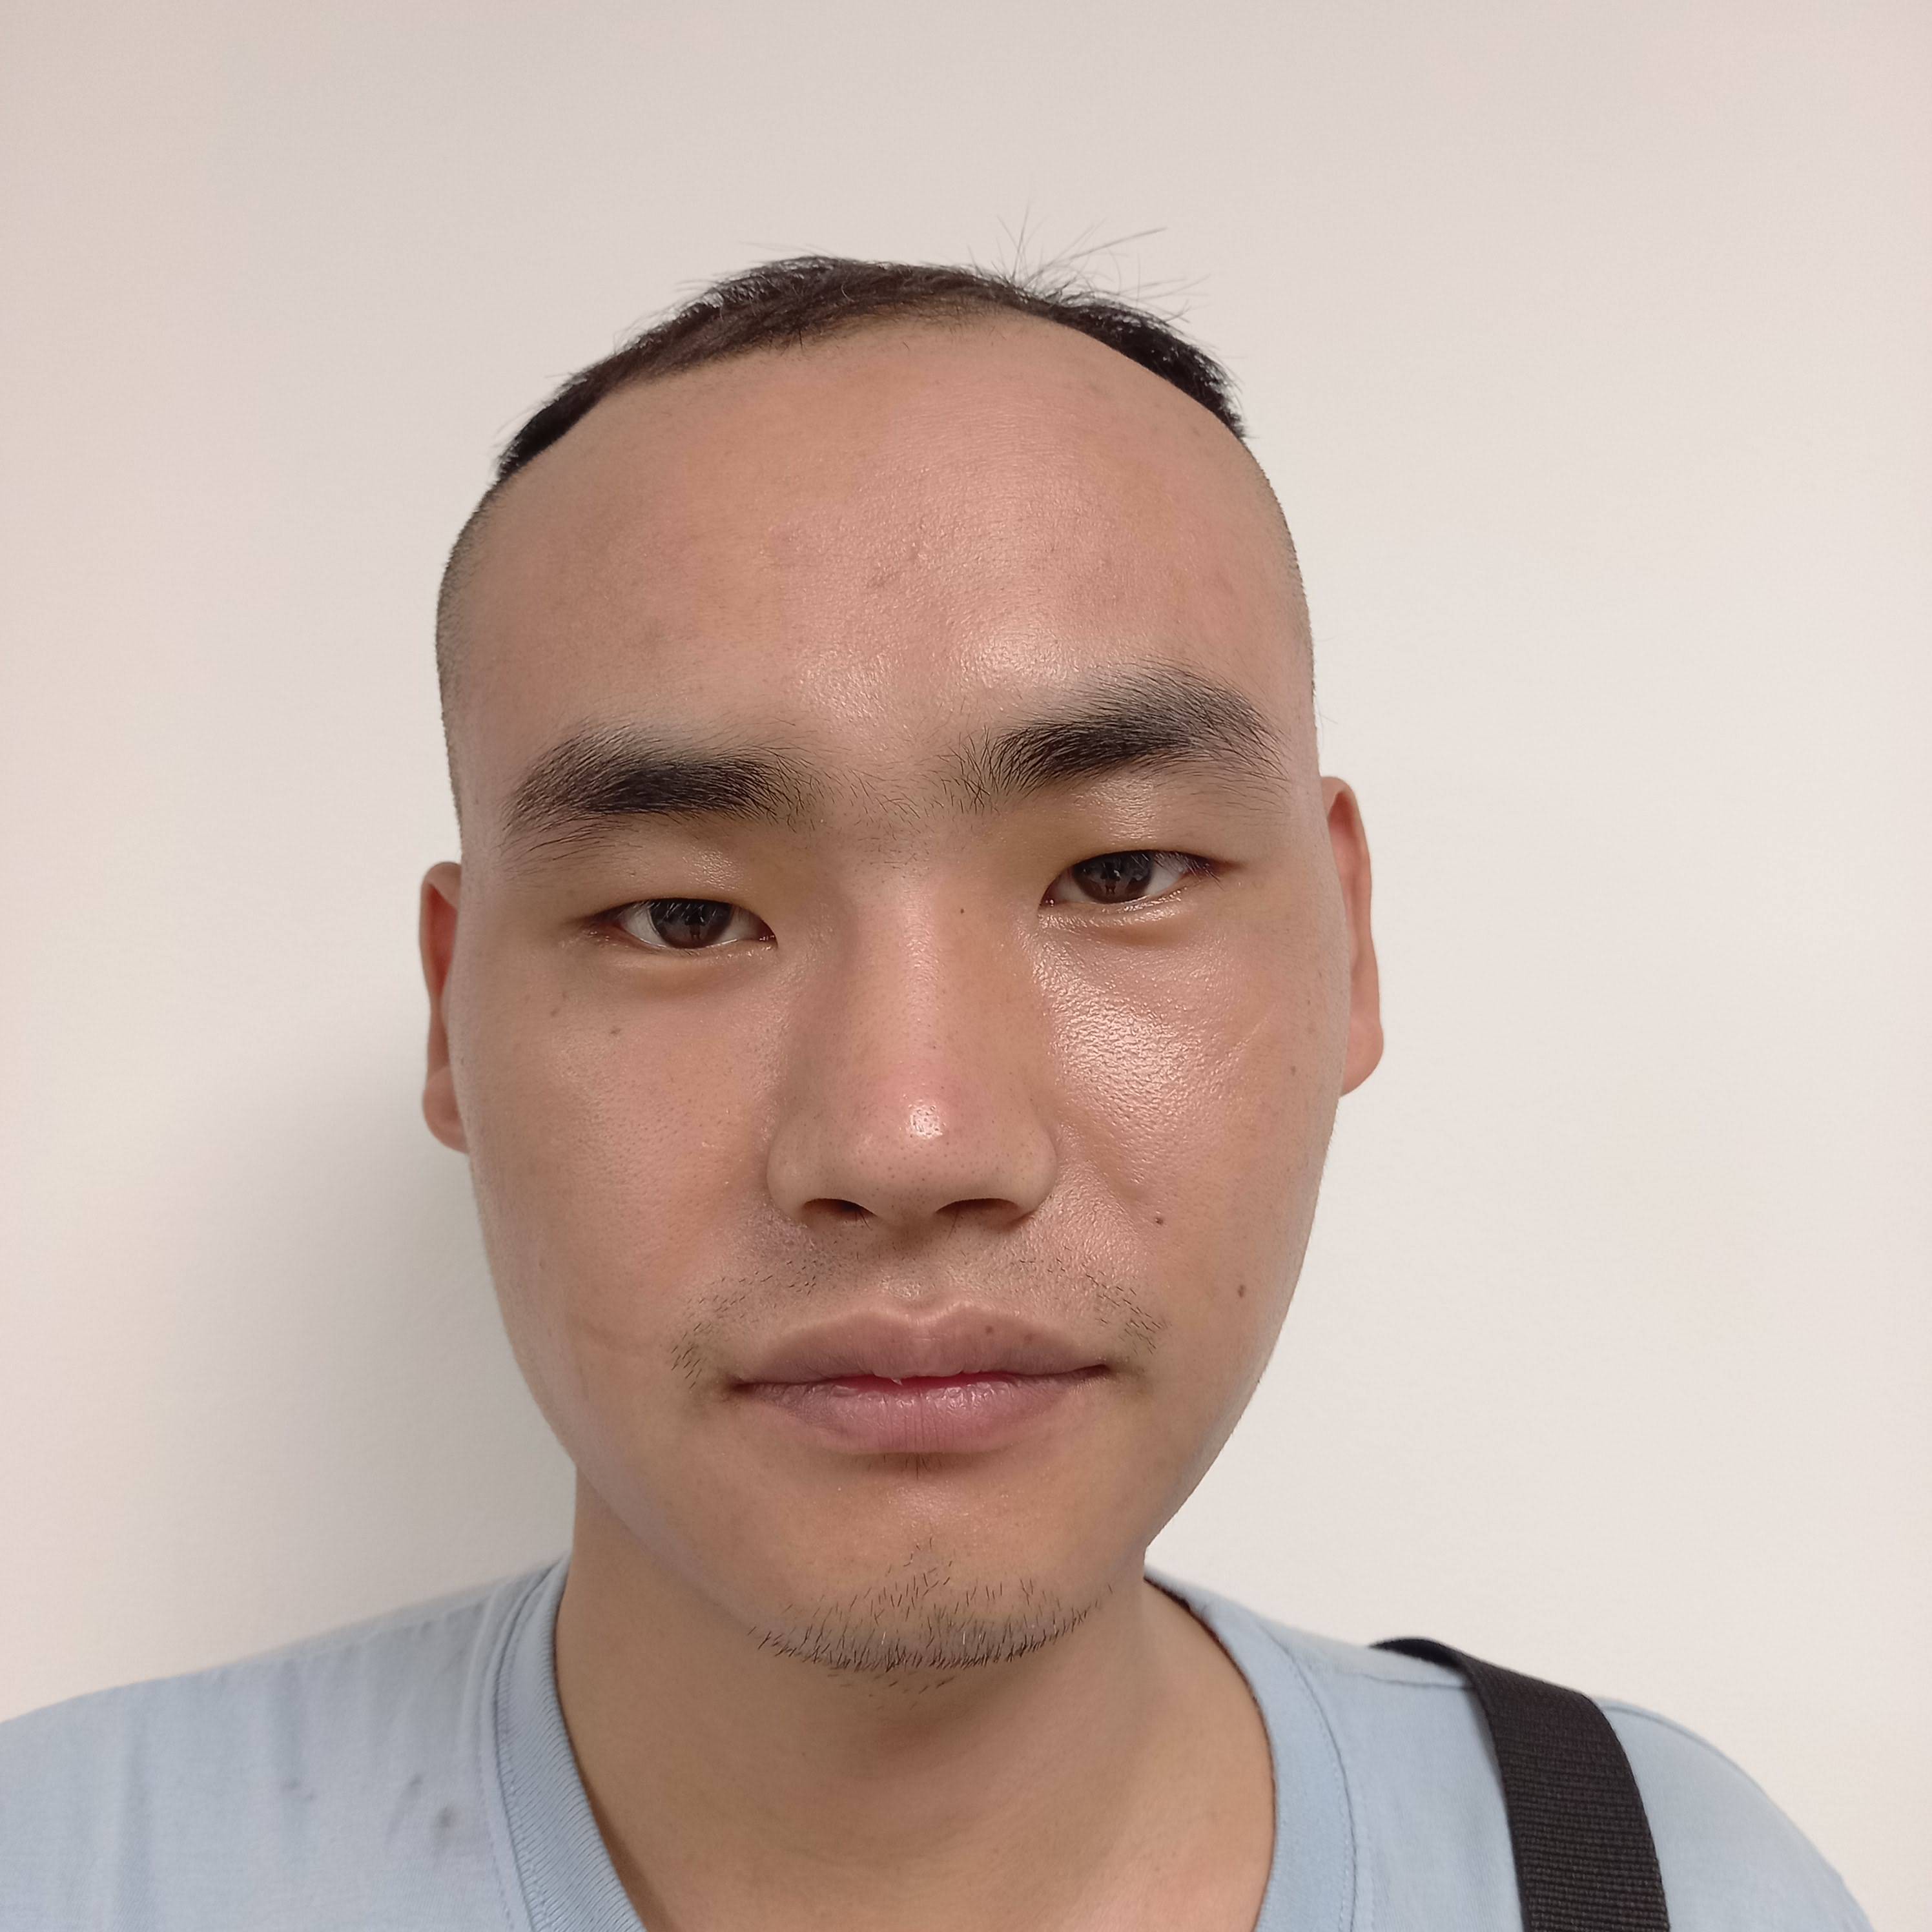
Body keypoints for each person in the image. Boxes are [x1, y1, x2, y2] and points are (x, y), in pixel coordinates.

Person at [0, 256, 1872, 1931]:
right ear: (451, 1014)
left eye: (1120, 875)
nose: (911, 1143)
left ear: (1349, 948)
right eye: (682, 915)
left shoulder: (1659, 1885)